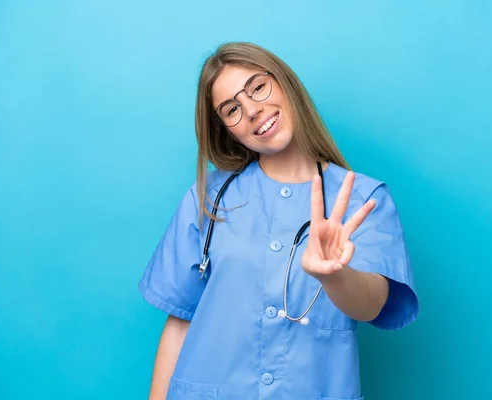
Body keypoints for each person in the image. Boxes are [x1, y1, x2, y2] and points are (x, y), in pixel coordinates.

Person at [138, 42, 419, 400]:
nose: (253, 110)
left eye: (257, 87)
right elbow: (180, 320)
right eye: (232, 109)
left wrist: (334, 275)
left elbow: (373, 303)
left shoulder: (363, 199)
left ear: (285, 83)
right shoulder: (208, 198)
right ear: (227, 129)